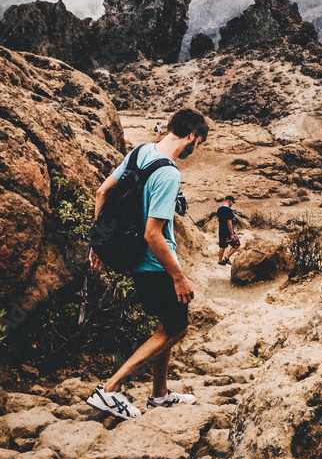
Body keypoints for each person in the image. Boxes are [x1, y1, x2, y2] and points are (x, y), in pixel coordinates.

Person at [86, 108, 209, 419]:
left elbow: (102, 192)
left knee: (164, 324)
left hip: (133, 260)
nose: (195, 151)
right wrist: (178, 276)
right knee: (177, 329)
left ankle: (160, 394)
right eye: (199, 143)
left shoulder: (140, 152)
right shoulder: (169, 173)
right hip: (155, 266)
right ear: (191, 136)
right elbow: (153, 234)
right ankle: (110, 389)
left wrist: (98, 244)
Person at [217, 195, 240, 266]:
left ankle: (220, 261)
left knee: (222, 246)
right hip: (228, 232)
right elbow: (229, 223)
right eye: (232, 202)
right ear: (229, 201)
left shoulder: (219, 209)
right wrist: (232, 234)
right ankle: (227, 257)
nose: (232, 204)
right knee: (237, 244)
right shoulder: (229, 210)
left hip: (221, 230)